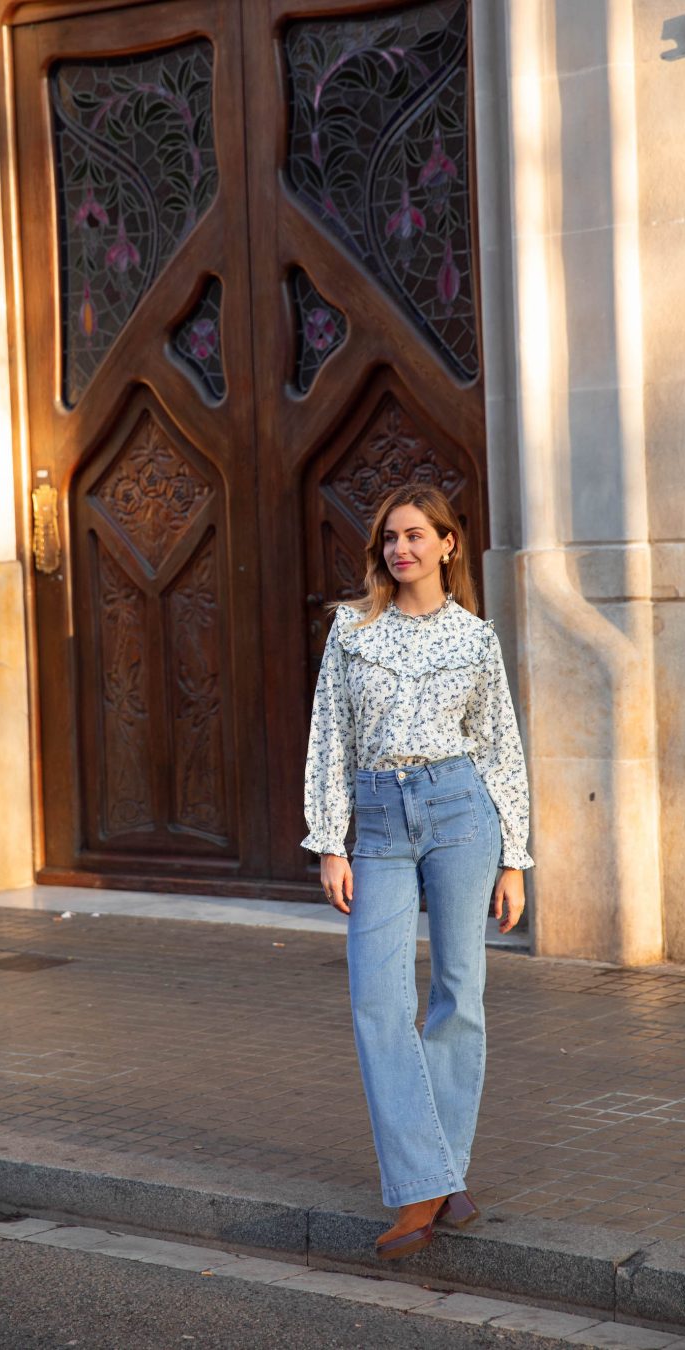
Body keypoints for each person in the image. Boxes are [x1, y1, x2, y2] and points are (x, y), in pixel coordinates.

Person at [301, 484, 533, 1261]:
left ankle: (431, 1185)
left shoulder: (476, 639)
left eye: (415, 535)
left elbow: (501, 748)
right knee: (376, 997)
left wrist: (516, 861)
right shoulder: (352, 633)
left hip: (462, 810)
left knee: (458, 995)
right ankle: (428, 1180)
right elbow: (330, 737)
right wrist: (330, 840)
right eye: (390, 538)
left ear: (447, 546)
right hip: (380, 821)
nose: (401, 548)